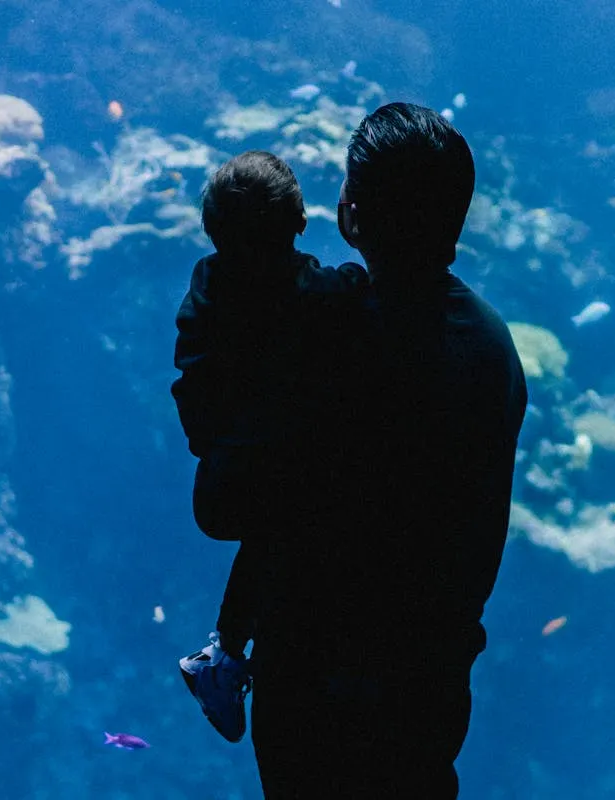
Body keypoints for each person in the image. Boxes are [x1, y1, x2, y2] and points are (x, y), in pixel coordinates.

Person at [194, 103, 529, 798]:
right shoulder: (493, 347)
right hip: (428, 694)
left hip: (318, 698)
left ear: (356, 212)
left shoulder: (338, 340)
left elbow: (223, 504)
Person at [170, 150, 368, 744]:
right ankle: (223, 654)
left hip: (221, 480)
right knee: (288, 520)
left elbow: (195, 388)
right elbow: (356, 286)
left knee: (270, 530)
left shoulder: (208, 283)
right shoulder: (317, 293)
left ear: (212, 227)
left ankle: (224, 654)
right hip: (282, 485)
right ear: (300, 221)